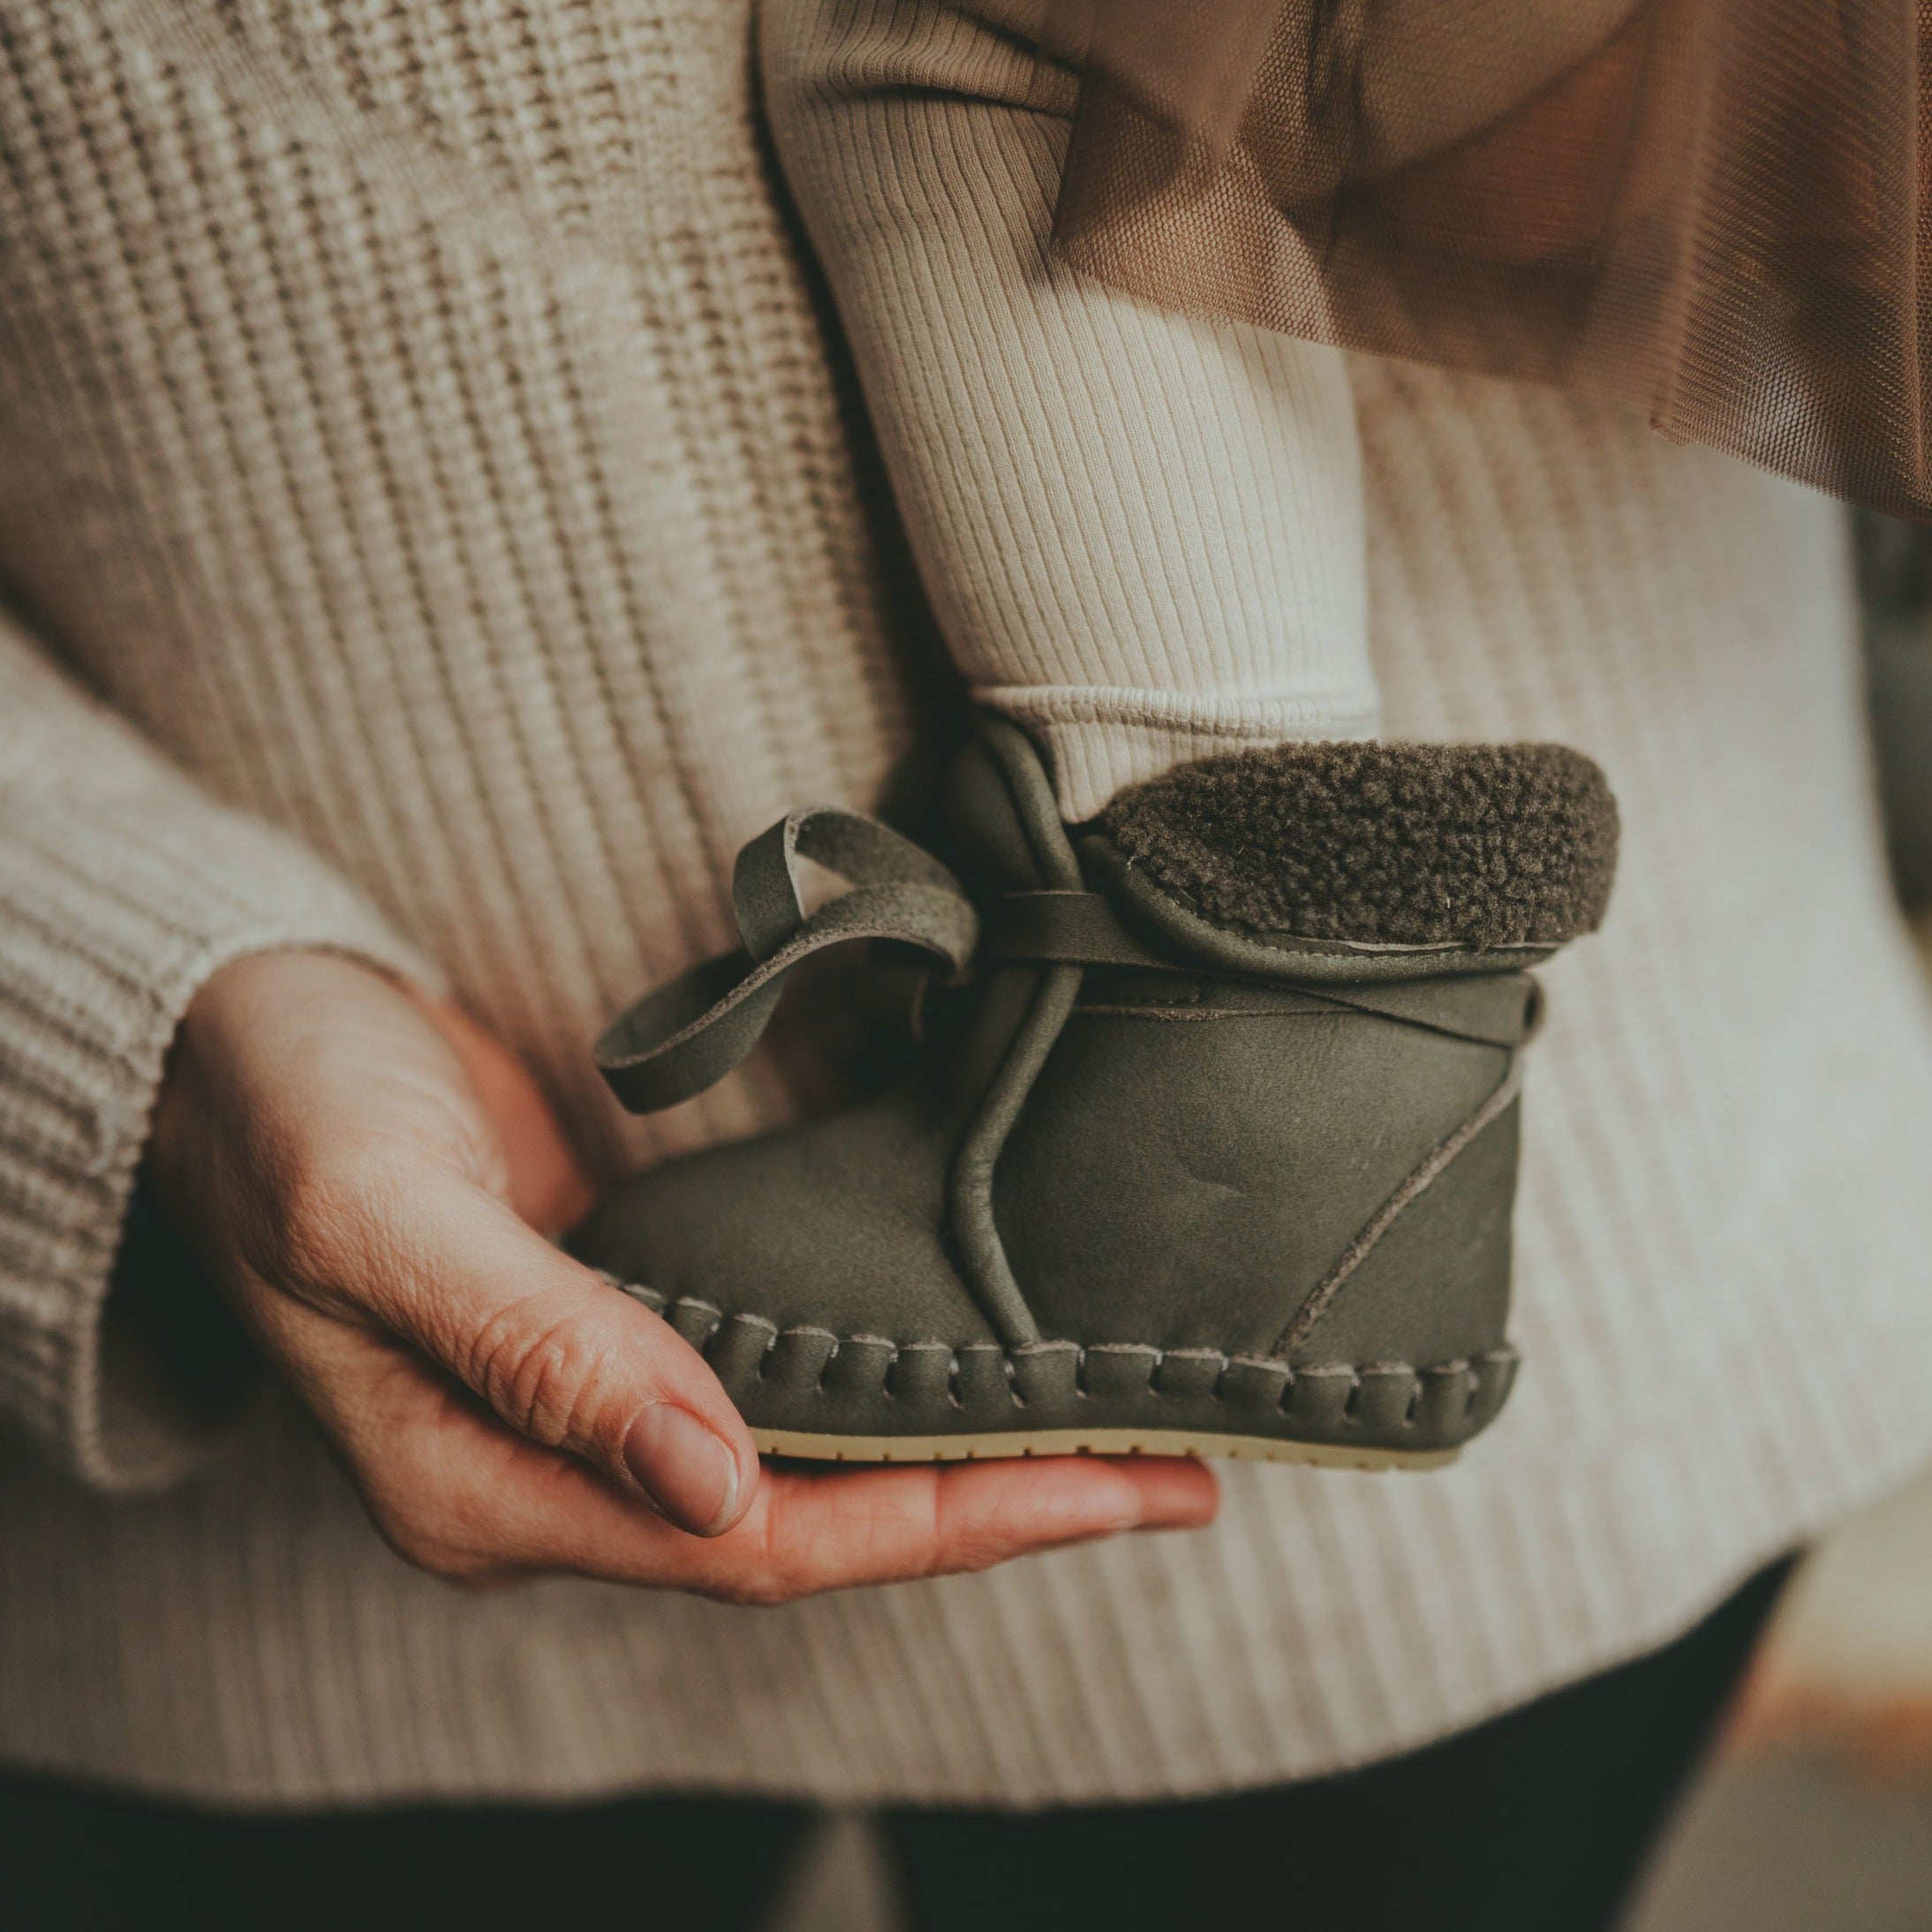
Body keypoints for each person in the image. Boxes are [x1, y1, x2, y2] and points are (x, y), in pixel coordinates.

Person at [3, 2, 1931, 1927]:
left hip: (1607, 1334)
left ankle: (1242, 995)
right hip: (232, 1533)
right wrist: (126, 997)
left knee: (948, 45)